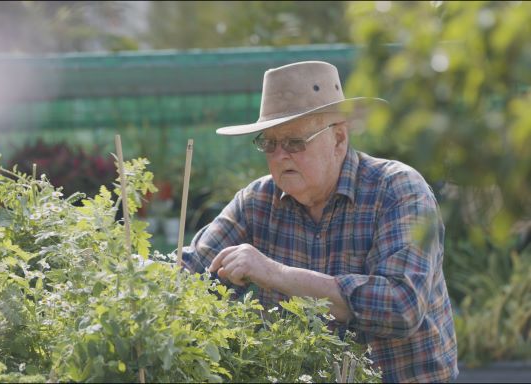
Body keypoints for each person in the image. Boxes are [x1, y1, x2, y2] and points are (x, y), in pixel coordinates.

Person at [181, 61, 458, 382]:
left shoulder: (397, 189)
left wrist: (275, 274)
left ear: (339, 139)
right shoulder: (257, 201)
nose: (280, 155)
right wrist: (126, 271)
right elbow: (190, 271)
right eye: (269, 143)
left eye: (295, 141)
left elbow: (401, 307)